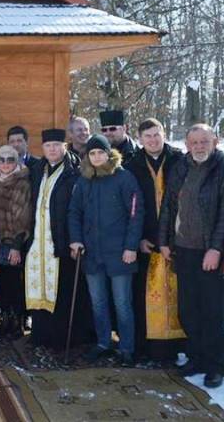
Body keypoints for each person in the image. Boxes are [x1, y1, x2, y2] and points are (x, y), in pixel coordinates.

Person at [158, 124, 224, 388]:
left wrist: (216, 249)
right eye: (195, 142)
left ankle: (216, 365)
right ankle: (196, 357)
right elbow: (169, 206)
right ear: (187, 144)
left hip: (210, 252)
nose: (200, 146)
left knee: (212, 311)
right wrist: (165, 241)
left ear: (214, 141)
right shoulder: (181, 166)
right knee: (188, 309)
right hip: (183, 250)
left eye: (205, 141)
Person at [69, 134, 143, 366]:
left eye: (101, 152)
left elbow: (135, 213)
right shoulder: (83, 180)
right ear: (88, 157)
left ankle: (126, 347)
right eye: (92, 153)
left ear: (109, 153)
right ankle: (103, 342)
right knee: (98, 301)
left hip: (120, 252)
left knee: (122, 303)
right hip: (91, 252)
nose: (97, 156)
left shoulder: (124, 178)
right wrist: (76, 240)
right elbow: (74, 212)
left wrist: (131, 246)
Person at [124, 119, 186, 363]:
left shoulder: (179, 160)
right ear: (140, 139)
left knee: (177, 293)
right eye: (147, 136)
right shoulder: (131, 165)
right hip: (145, 240)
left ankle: (176, 347)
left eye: (156, 134)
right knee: (144, 295)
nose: (152, 140)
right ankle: (147, 348)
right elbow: (127, 207)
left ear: (164, 134)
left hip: (176, 239)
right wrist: (138, 238)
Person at [27, 129, 93, 349]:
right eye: (48, 146)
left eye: (57, 145)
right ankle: (40, 335)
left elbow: (81, 210)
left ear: (65, 146)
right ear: (42, 149)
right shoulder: (37, 170)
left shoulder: (75, 172)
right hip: (38, 242)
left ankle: (62, 338)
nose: (52, 149)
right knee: (40, 288)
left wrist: (76, 239)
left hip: (62, 242)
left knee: (62, 291)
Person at [0, 145, 32, 339]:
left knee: (14, 284)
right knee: (1, 284)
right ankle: (4, 321)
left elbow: (24, 216)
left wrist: (16, 247)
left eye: (10, 159)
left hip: (12, 241)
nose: (5, 164)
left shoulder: (22, 182)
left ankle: (17, 324)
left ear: (17, 161)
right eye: (1, 159)